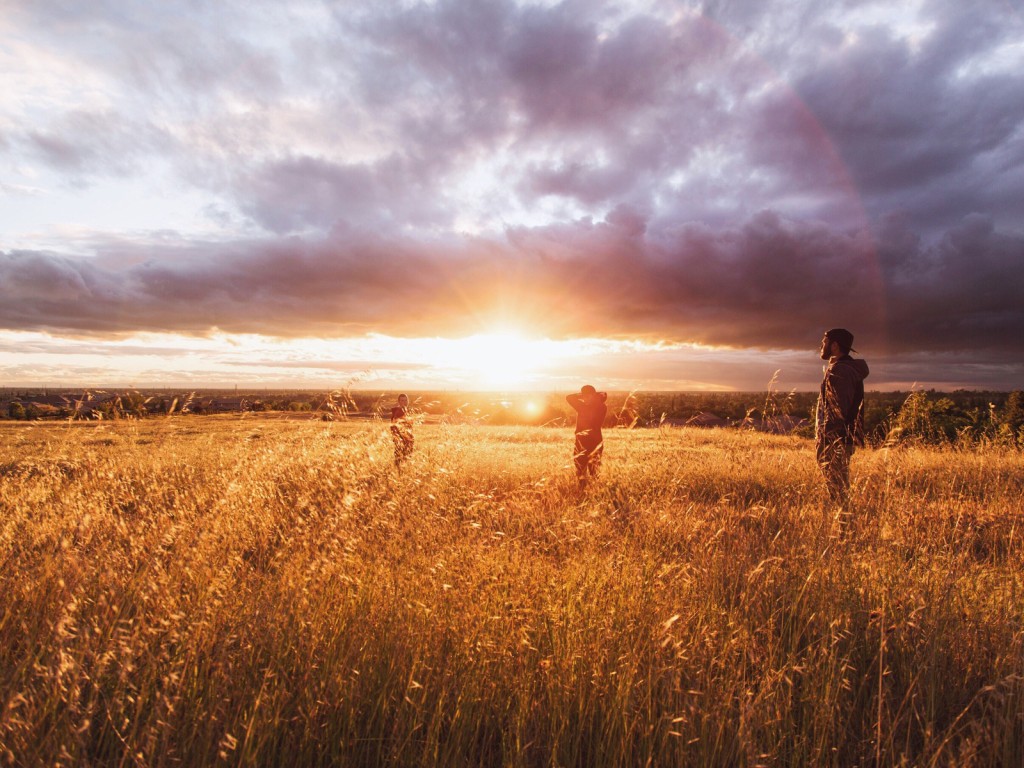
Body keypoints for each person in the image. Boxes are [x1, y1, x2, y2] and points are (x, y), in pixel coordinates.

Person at [815, 329, 869, 507]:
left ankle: (843, 523)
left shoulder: (843, 371)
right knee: (836, 486)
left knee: (838, 489)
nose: (821, 346)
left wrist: (829, 439)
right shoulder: (838, 368)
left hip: (836, 440)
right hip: (835, 439)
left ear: (835, 345)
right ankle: (841, 520)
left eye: (824, 342)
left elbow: (839, 410)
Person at [566, 385, 608, 489]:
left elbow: (570, 398)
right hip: (581, 441)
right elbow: (569, 397)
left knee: (594, 470)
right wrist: (587, 395)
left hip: (594, 441)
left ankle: (595, 492)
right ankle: (582, 491)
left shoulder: (600, 407)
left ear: (593, 396)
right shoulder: (582, 406)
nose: (585, 399)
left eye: (587, 396)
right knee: (580, 469)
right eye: (583, 396)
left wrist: (594, 396)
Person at [390, 393, 414, 468]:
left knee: (403, 458)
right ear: (399, 402)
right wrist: (400, 438)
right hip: (402, 439)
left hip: (407, 439)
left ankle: (400, 472)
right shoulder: (399, 411)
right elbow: (394, 426)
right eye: (402, 400)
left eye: (406, 400)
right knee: (401, 458)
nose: (404, 402)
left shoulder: (406, 411)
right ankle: (399, 474)